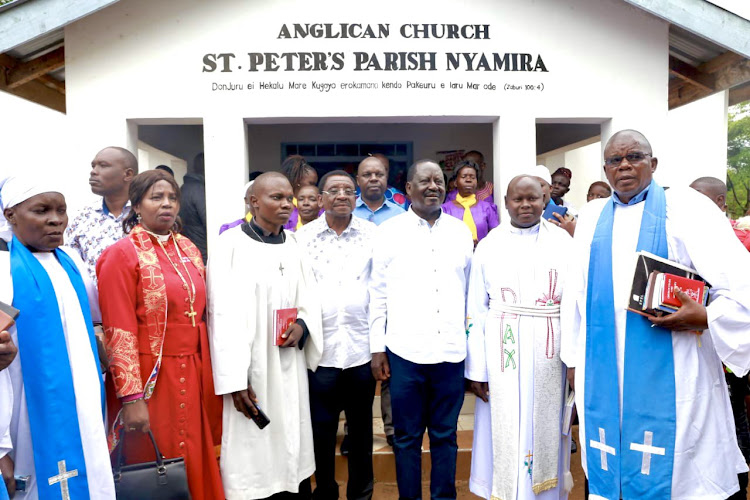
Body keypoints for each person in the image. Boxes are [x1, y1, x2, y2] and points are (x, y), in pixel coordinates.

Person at [561, 129, 750, 499]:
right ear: (605, 169)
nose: (625, 166)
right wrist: (572, 359)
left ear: (654, 163)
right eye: (615, 160)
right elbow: (576, 294)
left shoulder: (687, 207)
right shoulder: (592, 216)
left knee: (680, 472)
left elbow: (740, 284)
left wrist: (707, 317)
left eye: (635, 156)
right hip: (603, 372)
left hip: (677, 367)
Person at [97, 169, 223, 500]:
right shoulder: (120, 254)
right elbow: (118, 330)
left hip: (193, 372)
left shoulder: (189, 248)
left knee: (193, 457)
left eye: (172, 198)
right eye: (156, 198)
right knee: (154, 466)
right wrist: (131, 398)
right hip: (151, 379)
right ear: (136, 205)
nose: (166, 204)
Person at [207, 172, 323, 500]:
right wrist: (233, 380)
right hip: (251, 366)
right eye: (277, 198)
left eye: (290, 198)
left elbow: (309, 299)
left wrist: (302, 327)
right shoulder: (230, 244)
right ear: (254, 202)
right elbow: (220, 314)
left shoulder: (294, 244)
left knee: (291, 438)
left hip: (287, 362)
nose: (287, 204)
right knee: (252, 447)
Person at [0, 175, 115, 499]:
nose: (55, 219)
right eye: (41, 210)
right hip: (24, 417)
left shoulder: (72, 263)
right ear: (10, 215)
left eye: (60, 210)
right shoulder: (3, 270)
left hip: (84, 410)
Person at [370, 160, 473, 500]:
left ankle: (444, 497)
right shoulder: (389, 232)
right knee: (407, 437)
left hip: (450, 353)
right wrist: (377, 348)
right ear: (408, 189)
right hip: (405, 353)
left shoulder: (460, 232)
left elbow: (471, 294)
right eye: (425, 181)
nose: (433, 186)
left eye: (439, 181)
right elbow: (378, 293)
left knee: (446, 435)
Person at [466, 175, 573, 500]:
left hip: (549, 347)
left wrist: (572, 360)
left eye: (533, 198)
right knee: (503, 424)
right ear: (506, 202)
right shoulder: (490, 244)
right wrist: (477, 370)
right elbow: (476, 310)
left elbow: (573, 306)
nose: (526, 205)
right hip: (502, 348)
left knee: (546, 424)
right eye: (518, 199)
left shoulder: (563, 242)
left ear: (544, 199)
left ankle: (544, 494)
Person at [296, 170, 377, 500]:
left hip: (361, 351)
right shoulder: (302, 239)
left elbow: (381, 289)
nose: (341, 195)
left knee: (360, 434)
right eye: (333, 190)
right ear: (321, 199)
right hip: (320, 353)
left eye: (348, 190)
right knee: (321, 432)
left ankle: (361, 494)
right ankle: (325, 491)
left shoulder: (373, 235)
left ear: (356, 196)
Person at [691, 176, 750, 500]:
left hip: (730, 349)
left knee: (731, 419)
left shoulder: (739, 239)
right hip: (695, 348)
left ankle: (737, 481)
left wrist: (710, 316)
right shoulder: (686, 235)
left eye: (703, 201)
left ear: (721, 203)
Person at [65, 146, 136, 283]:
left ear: (128, 175)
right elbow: (72, 269)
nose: (93, 172)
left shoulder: (147, 215)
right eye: (93, 166)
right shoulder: (82, 218)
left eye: (103, 166)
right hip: (93, 303)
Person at [441, 160, 499, 246]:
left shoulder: (488, 208)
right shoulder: (444, 210)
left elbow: (496, 237)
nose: (468, 180)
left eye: (472, 177)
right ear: (456, 182)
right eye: (464, 176)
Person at [354, 155, 405, 225]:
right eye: (367, 175)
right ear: (358, 180)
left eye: (379, 175)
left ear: (386, 178)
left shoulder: (401, 215)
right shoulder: (346, 213)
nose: (373, 179)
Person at [180, 152, 208, 262]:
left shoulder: (184, 187)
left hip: (189, 244)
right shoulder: (198, 189)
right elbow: (207, 220)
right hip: (201, 246)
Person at [281, 155, 319, 232]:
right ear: (298, 181)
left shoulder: (319, 206)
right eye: (311, 183)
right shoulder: (284, 206)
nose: (314, 187)